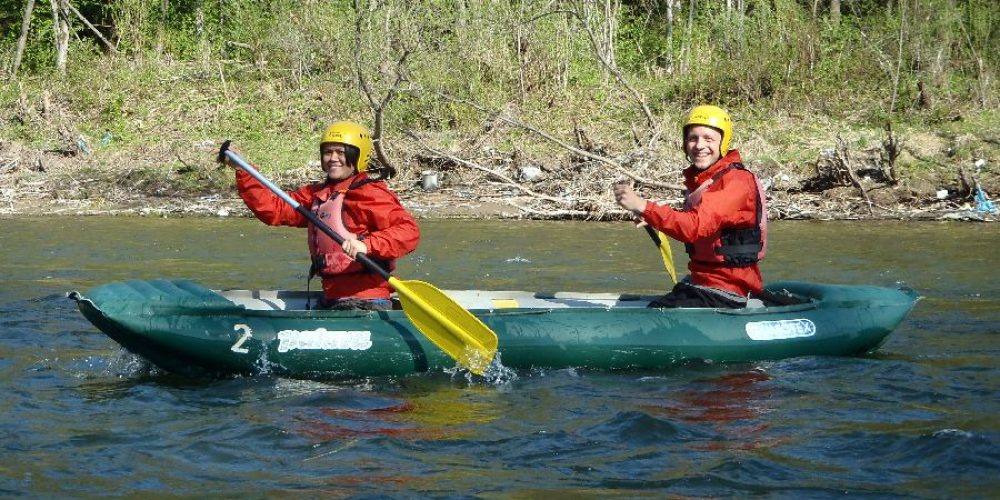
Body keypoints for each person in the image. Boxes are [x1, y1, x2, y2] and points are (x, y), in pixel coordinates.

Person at [221, 121, 420, 310]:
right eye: (327, 152)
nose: (333, 158)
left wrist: (367, 245)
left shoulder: (369, 193)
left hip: (366, 300)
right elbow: (275, 209)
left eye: (341, 152)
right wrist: (243, 171)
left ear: (358, 156)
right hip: (332, 297)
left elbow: (408, 232)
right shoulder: (318, 195)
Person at [614, 105, 774, 309]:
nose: (699, 145)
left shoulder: (735, 182)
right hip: (704, 282)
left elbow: (694, 227)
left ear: (723, 143)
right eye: (693, 138)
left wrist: (644, 206)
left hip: (728, 290)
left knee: (656, 314)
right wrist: (651, 217)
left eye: (709, 139)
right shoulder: (706, 180)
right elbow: (704, 222)